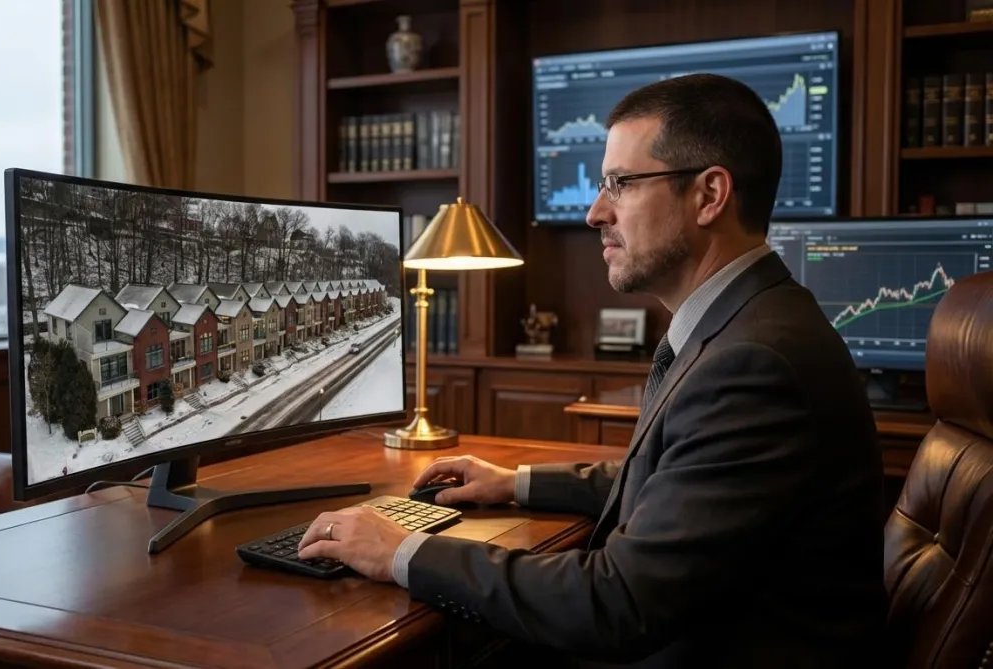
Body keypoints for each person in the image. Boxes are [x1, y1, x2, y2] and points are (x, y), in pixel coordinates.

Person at [296, 73, 887, 668]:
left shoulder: (753, 365)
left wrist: (402, 551)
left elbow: (617, 602)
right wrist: (516, 481)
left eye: (620, 184)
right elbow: (675, 478)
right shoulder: (755, 321)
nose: (594, 211)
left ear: (709, 195)